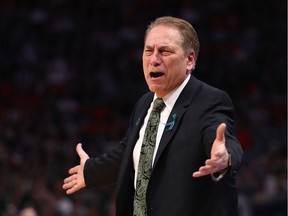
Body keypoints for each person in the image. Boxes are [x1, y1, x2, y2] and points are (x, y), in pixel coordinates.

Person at [63, 16, 243, 216]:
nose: (154, 59)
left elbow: (222, 139)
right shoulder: (145, 103)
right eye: (148, 51)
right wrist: (91, 172)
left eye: (164, 51)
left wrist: (224, 158)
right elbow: (129, 153)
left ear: (189, 60)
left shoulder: (210, 101)